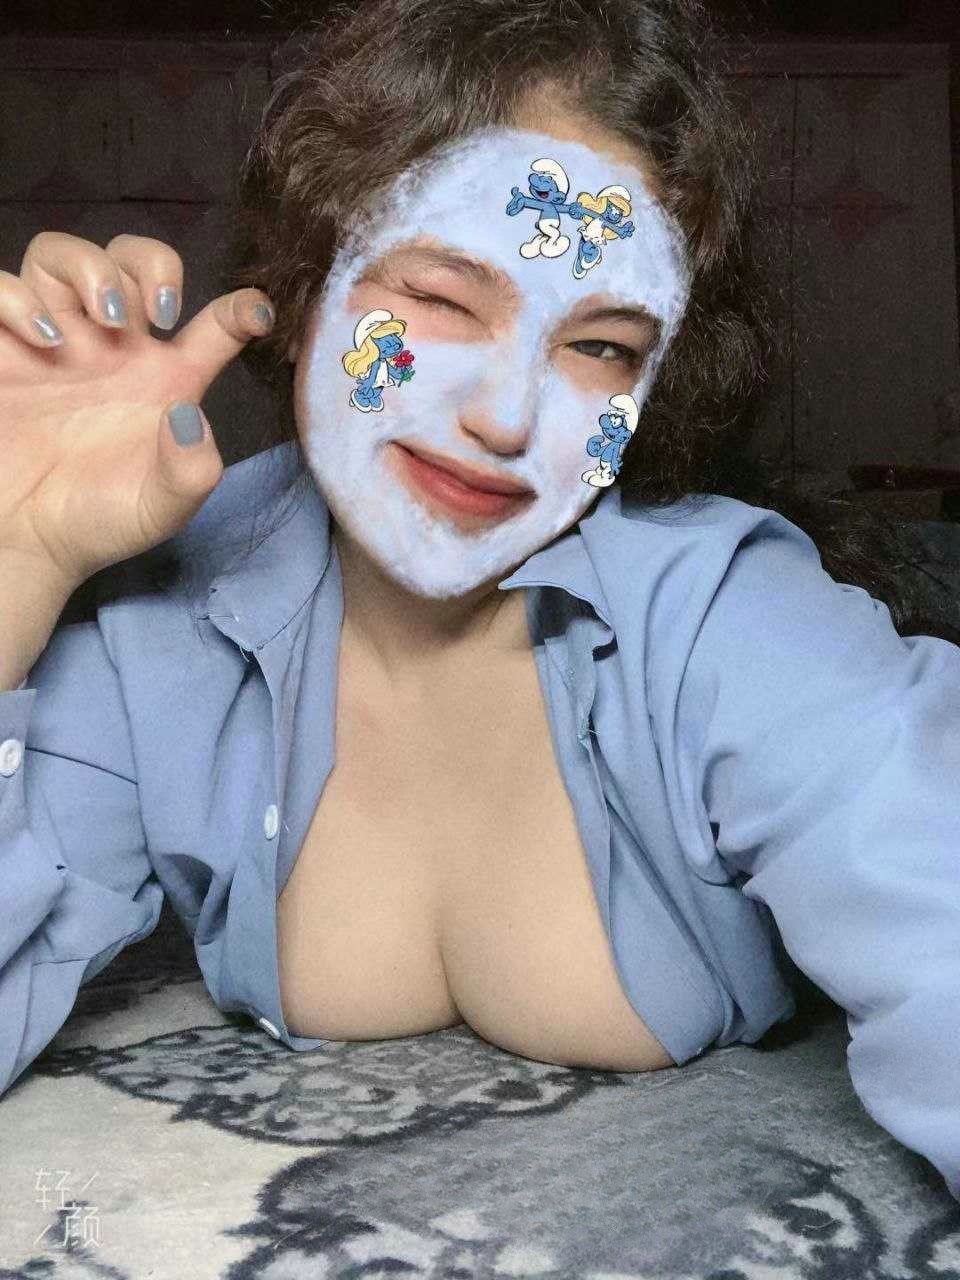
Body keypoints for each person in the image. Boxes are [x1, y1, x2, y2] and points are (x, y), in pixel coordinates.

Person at [1, 0, 958, 1205]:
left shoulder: (730, 616)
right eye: (446, 299)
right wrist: (18, 557)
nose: (507, 417)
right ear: (304, 282)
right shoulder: (156, 621)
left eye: (601, 346)